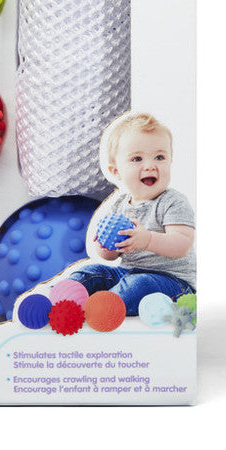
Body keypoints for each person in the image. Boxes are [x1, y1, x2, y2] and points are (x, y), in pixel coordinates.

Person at [67, 111, 195, 316]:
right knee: (92, 272)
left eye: (160, 157)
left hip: (173, 281)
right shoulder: (118, 205)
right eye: (137, 159)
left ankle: (99, 310)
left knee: (140, 285)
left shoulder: (173, 201)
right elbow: (111, 256)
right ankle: (63, 298)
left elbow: (182, 244)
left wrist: (148, 240)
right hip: (128, 272)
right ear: (116, 171)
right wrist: (105, 248)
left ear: (170, 161)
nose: (150, 165)